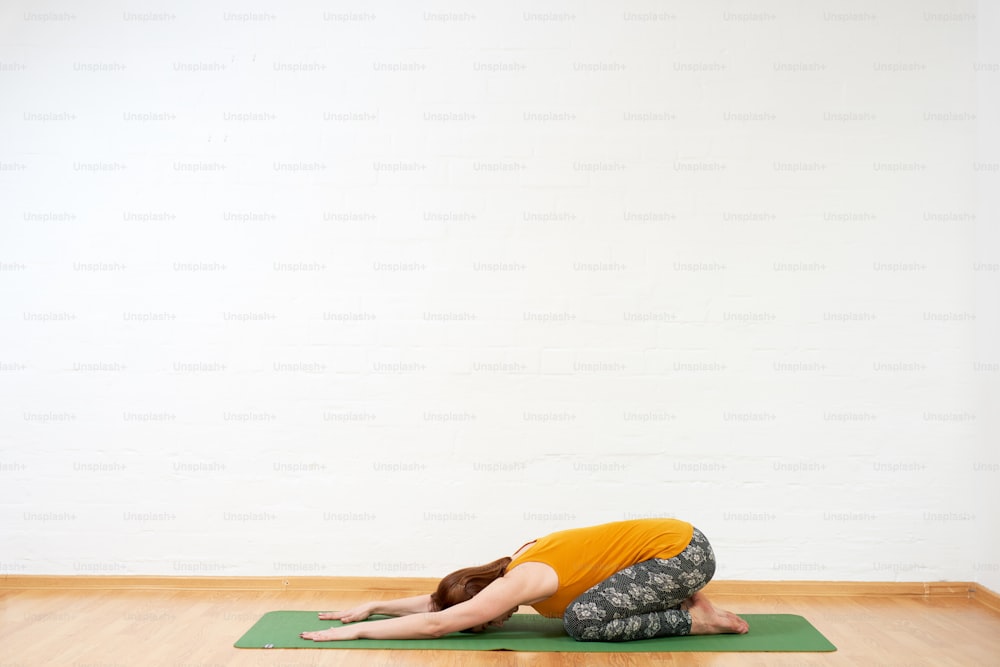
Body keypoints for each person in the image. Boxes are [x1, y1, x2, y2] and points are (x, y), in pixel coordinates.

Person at [300, 517, 749, 642]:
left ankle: (697, 620)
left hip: (683, 556)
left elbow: (440, 623)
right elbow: (442, 607)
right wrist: (375, 606)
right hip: (677, 553)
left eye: (481, 621)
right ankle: (691, 603)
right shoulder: (508, 570)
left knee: (583, 622)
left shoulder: (522, 580)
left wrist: (362, 632)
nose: (488, 624)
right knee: (591, 607)